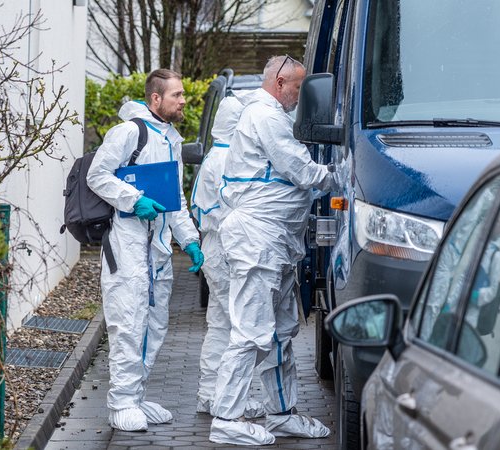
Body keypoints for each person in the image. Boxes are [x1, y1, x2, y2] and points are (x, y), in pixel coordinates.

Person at [209, 55, 334, 445]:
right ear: (281, 81)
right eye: (297, 87)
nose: (299, 96)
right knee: (250, 332)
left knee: (280, 332)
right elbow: (299, 169)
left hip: (276, 242)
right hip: (257, 240)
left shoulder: (272, 115)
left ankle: (282, 413)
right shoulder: (265, 116)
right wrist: (340, 176)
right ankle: (227, 420)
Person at [86, 69, 205, 432]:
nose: (184, 100)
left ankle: (136, 396)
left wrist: (190, 239)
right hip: (127, 241)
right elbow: (97, 175)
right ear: (156, 99)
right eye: (177, 95)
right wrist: (134, 199)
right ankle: (120, 402)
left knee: (154, 322)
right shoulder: (128, 133)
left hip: (157, 246)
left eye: (183, 94)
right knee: (129, 319)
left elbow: (175, 199)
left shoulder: (171, 139)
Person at [192, 91, 266, 420]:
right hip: (227, 248)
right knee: (241, 324)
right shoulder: (229, 160)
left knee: (220, 324)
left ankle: (210, 394)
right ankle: (232, 399)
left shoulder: (214, 155)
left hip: (214, 244)